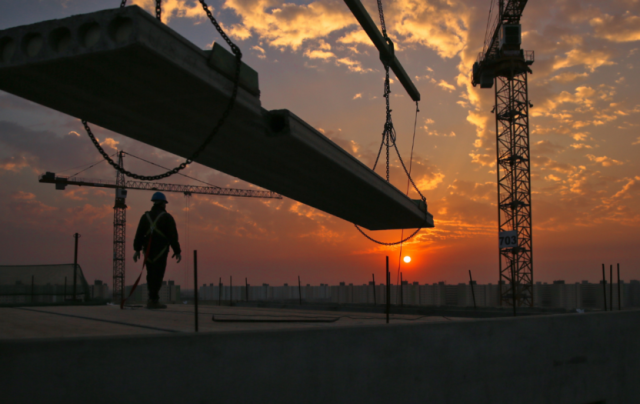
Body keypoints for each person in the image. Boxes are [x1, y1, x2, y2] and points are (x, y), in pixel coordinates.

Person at [133, 192, 181, 309]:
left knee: (150, 275)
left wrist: (137, 250)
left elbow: (139, 234)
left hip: (148, 252)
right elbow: (173, 236)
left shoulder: (145, 217)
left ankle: (152, 298)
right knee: (158, 275)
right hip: (161, 251)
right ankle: (154, 300)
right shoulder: (167, 217)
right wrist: (177, 251)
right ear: (164, 204)